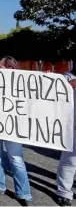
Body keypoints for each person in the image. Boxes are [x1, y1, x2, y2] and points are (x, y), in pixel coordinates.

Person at [0, 56, 32, 205]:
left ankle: (23, 193)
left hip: (14, 127)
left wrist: (47, 78)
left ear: (10, 69)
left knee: (16, 160)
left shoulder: (23, 82)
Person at [56, 66, 76, 206]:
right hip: (72, 127)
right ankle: (64, 193)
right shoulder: (68, 78)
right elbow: (50, 89)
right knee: (70, 161)